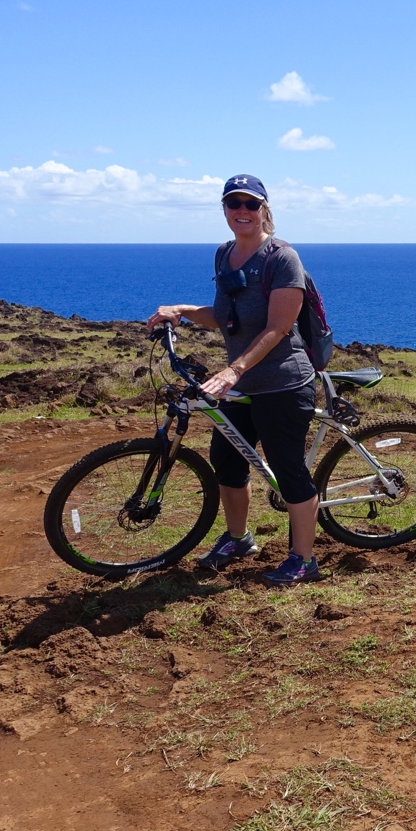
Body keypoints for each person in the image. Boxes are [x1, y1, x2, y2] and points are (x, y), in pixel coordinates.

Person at [145, 174, 320, 585]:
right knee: (226, 464)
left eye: (250, 204)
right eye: (233, 203)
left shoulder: (282, 259)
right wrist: (182, 310)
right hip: (240, 386)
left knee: (289, 470)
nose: (242, 211)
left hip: (282, 382)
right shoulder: (224, 254)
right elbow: (227, 316)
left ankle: (304, 560)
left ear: (264, 209)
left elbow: (278, 327)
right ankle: (239, 539)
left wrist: (233, 369)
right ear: (224, 209)